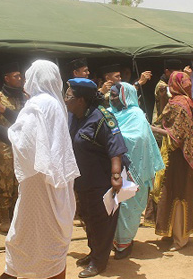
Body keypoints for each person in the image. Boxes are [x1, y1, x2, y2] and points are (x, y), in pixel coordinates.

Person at [0, 60, 80, 279]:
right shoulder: (53, 102)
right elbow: (28, 127)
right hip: (57, 184)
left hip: (39, 186)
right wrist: (2, 108)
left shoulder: (37, 104)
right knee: (52, 241)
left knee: (24, 238)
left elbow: (19, 140)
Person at [65, 78, 127, 278]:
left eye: (69, 96)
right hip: (83, 180)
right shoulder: (74, 116)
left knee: (102, 221)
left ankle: (99, 262)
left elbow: (115, 148)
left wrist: (116, 176)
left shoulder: (102, 117)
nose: (65, 100)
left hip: (102, 182)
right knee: (88, 218)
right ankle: (94, 252)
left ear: (81, 99)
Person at [109, 82, 164, 258]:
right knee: (113, 205)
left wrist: (114, 136)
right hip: (113, 170)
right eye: (110, 94)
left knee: (127, 207)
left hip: (134, 171)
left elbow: (139, 138)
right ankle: (114, 240)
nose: (112, 97)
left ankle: (124, 243)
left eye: (116, 94)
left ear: (126, 96)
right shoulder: (110, 114)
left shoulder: (136, 115)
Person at [152, 70, 193, 250]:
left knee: (176, 192)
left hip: (177, 157)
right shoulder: (187, 101)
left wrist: (153, 129)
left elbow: (176, 136)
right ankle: (176, 233)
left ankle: (179, 237)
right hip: (185, 156)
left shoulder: (177, 105)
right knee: (179, 193)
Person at [0, 62, 26, 233]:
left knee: (21, 183)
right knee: (5, 184)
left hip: (23, 148)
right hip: (4, 147)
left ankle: (20, 217)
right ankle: (4, 219)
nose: (20, 79)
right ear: (6, 78)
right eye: (16, 76)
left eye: (20, 76)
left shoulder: (25, 97)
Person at [145, 59, 183, 227]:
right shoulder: (163, 87)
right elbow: (164, 111)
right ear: (167, 72)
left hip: (165, 131)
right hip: (162, 131)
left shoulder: (179, 97)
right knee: (160, 172)